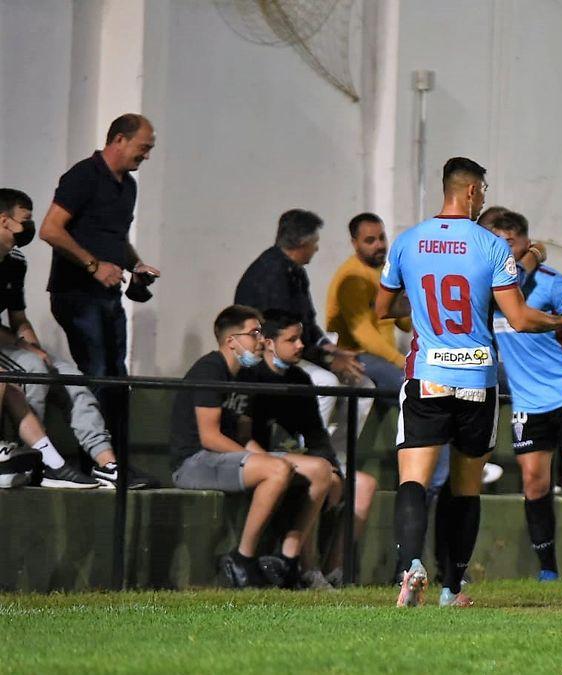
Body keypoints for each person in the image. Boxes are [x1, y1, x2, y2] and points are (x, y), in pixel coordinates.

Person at [376, 157, 562, 608]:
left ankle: (410, 568)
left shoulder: (407, 241)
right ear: (474, 191)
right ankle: (451, 588)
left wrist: (421, 310)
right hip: (476, 381)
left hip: (429, 375)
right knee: (466, 487)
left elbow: (383, 309)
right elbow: (518, 318)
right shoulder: (491, 246)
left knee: (414, 481)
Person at [169, 306, 334, 589]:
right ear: (231, 340)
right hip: (195, 461)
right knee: (276, 470)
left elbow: (244, 435)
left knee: (321, 469)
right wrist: (269, 465)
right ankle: (242, 557)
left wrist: (266, 459)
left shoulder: (244, 377)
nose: (260, 339)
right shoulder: (210, 369)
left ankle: (287, 560)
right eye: (254, 333)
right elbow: (209, 437)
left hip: (225, 456)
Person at [482, 210, 562, 581]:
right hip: (526, 403)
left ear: (524, 242)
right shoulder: (490, 289)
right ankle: (548, 570)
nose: (504, 249)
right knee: (534, 484)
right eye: (497, 242)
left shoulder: (552, 284)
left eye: (510, 242)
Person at [0, 188, 153, 488]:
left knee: (71, 376)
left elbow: (18, 318)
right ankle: (37, 463)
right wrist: (26, 351)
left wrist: (34, 346)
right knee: (33, 367)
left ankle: (106, 463)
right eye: (25, 220)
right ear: (4, 221)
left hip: (10, 343)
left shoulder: (16, 261)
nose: (29, 227)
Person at [39, 114, 161, 456]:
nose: (146, 156)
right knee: (97, 374)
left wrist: (134, 265)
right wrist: (94, 266)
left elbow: (115, 238)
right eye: (144, 148)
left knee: (116, 377)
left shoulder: (128, 186)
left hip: (107, 296)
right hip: (76, 295)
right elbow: (50, 229)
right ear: (119, 140)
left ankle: (116, 460)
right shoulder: (83, 176)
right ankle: (97, 459)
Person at [240, 309, 379, 588]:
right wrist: (323, 469)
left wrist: (335, 470)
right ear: (268, 342)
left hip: (298, 458)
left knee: (363, 484)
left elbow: (316, 435)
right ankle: (304, 566)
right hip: (263, 459)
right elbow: (244, 436)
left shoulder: (300, 380)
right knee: (319, 474)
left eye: (300, 338)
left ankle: (337, 570)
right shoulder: (251, 377)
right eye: (292, 340)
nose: (301, 345)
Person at [234, 209, 374, 450]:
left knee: (364, 387)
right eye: (315, 242)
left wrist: (329, 347)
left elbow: (306, 322)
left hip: (297, 352)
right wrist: (329, 360)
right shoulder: (270, 276)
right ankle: (308, 454)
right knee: (325, 383)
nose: (317, 248)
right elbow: (280, 338)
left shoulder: (294, 271)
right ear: (302, 243)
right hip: (265, 360)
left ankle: (337, 461)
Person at [326, 212, 409, 397]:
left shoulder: (383, 271)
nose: (379, 245)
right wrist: (400, 360)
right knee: (410, 387)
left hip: (385, 356)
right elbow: (364, 334)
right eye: (370, 240)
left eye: (381, 237)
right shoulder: (352, 278)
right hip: (357, 354)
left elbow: (404, 325)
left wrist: (406, 296)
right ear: (355, 243)